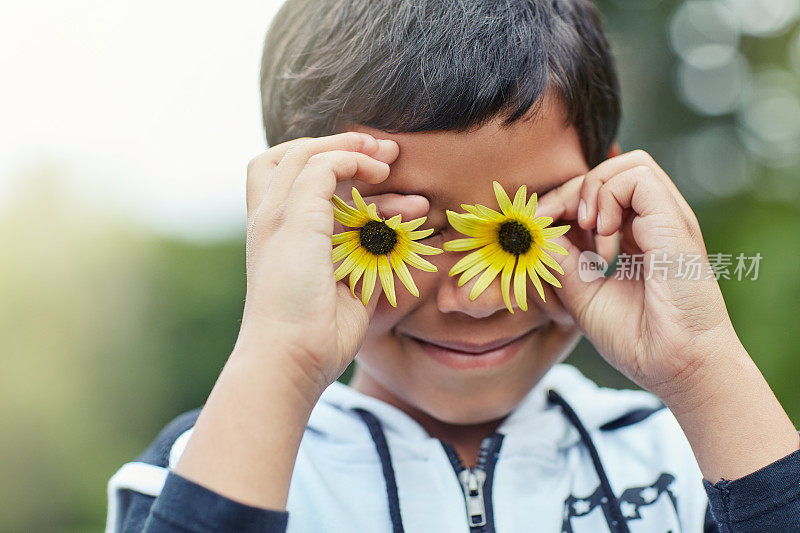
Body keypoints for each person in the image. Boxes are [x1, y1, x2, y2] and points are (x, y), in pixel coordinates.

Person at [106, 1, 800, 531]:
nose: (474, 297)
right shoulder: (215, 458)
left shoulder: (684, 455)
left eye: (520, 229)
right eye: (393, 228)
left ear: (611, 197)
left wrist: (704, 367)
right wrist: (278, 362)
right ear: (292, 222)